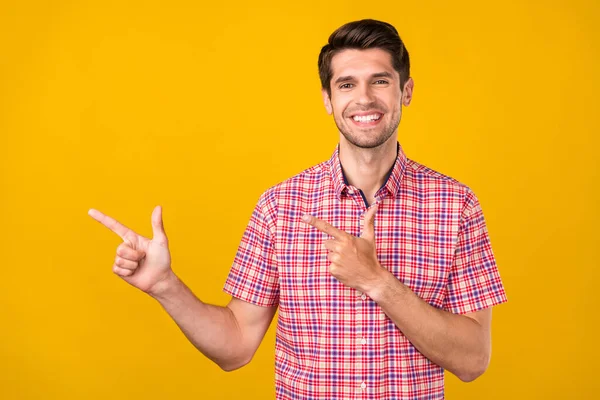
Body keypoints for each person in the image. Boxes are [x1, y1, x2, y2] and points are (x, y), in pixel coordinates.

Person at [88, 19, 507, 400]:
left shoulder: (456, 205)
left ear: (406, 91)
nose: (364, 99)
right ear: (327, 99)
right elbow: (235, 347)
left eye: (380, 81)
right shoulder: (279, 206)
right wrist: (164, 284)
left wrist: (377, 281)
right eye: (346, 85)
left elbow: (473, 361)